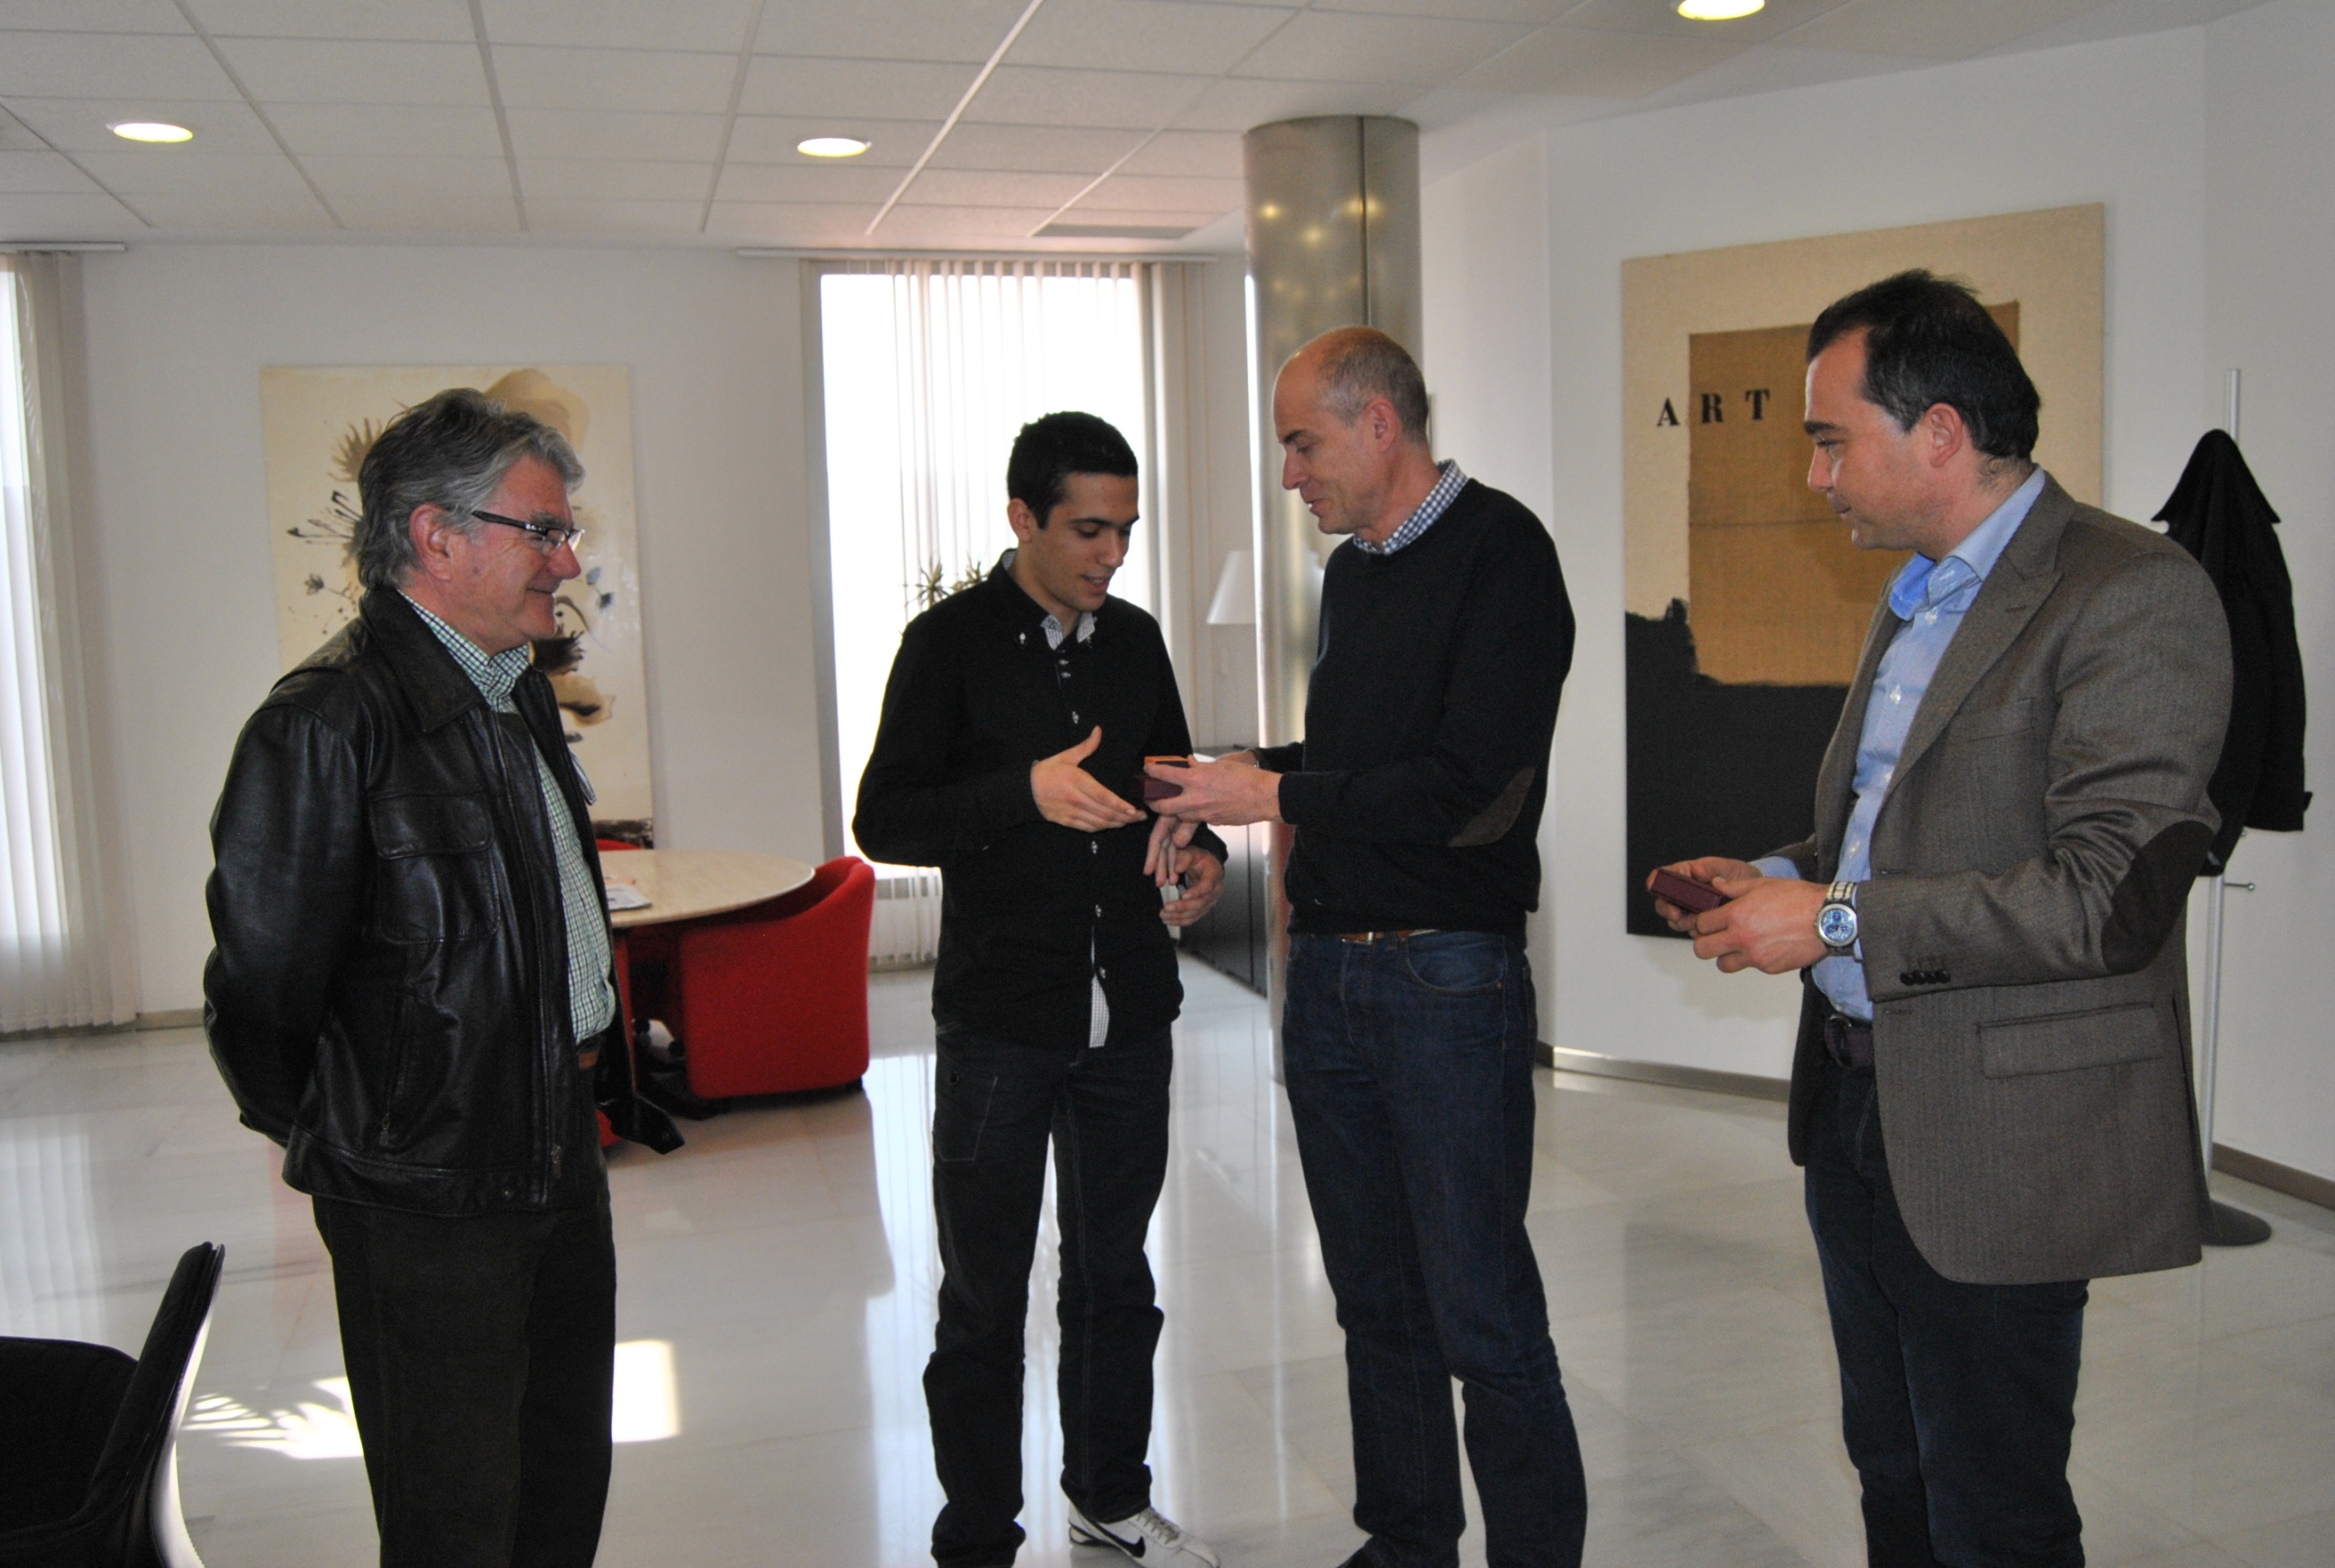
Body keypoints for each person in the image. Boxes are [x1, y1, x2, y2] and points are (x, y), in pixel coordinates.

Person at [1651, 271, 2232, 1567]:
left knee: (1994, 1507)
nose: (1815, 477)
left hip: (1998, 1131)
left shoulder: (2132, 589)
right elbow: (1892, 828)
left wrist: (1834, 920)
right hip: (1856, 1106)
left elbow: (2107, 895)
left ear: (1941, 433)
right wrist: (1774, 874)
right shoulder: (1919, 588)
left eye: (1829, 440)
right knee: (1892, 1468)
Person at [1150, 328, 1586, 1568]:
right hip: (1333, 975)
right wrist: (1239, 777)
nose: (1290, 473)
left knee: (1482, 1314)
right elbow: (1360, 769)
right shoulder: (1352, 573)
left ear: (1379, 424)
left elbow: (1472, 791)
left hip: (1447, 978)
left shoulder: (1504, 552)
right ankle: (1406, 1544)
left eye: (1303, 444)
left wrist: (1278, 793)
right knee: (1376, 1304)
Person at [204, 387, 658, 1567]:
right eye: (542, 530)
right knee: (453, 1517)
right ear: (435, 536)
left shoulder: (513, 690)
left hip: (555, 1142)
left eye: (567, 532)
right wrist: (376, 1136)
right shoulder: (325, 723)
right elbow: (261, 991)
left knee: (559, 1482)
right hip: (427, 1190)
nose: (567, 559)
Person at [854, 411, 1228, 1568]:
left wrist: (1200, 852)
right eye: (1087, 529)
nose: (1111, 553)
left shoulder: (1137, 639)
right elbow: (884, 820)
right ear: (1022, 517)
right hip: (1000, 1025)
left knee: (1116, 1279)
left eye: (1125, 530)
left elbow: (1171, 785)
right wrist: (1021, 792)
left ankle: (1110, 1502)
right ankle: (976, 1536)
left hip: (1130, 1014)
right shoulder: (946, 644)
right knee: (983, 1297)